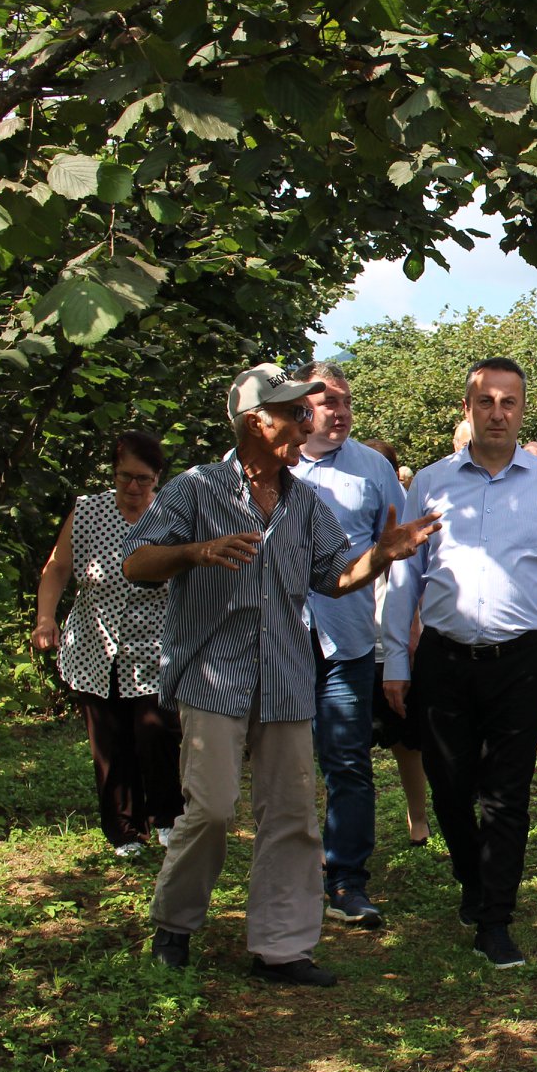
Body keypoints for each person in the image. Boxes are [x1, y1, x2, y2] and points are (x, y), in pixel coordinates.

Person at [125, 364, 439, 987]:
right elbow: (138, 562)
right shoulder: (196, 489)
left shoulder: (304, 502)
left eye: (305, 411)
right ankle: (175, 925)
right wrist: (194, 552)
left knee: (292, 813)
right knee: (212, 808)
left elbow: (335, 577)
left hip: (287, 676)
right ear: (255, 422)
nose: (305, 422)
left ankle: (281, 948)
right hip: (213, 674)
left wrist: (382, 554)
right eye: (294, 412)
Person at [383, 357, 537, 971]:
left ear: (522, 410)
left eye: (508, 402)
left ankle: (496, 918)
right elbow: (404, 574)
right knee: (448, 787)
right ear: (467, 409)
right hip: (443, 660)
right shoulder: (431, 483)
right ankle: (473, 879)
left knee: (507, 794)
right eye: (486, 402)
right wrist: (395, 661)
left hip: (521, 660)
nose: (497, 413)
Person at [291, 363, 407, 929]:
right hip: (280, 644)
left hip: (349, 643)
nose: (339, 412)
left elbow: (402, 552)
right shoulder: (267, 465)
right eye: (327, 401)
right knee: (284, 767)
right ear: (300, 406)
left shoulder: (373, 468)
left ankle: (346, 881)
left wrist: (404, 634)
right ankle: (288, 875)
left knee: (348, 763)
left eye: (345, 401)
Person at [33, 430, 182, 859]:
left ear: (157, 477)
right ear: (113, 474)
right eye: (124, 477)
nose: (133, 487)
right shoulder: (88, 511)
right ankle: (124, 830)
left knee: (157, 734)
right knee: (110, 741)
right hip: (94, 647)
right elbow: (58, 568)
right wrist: (45, 618)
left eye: (143, 478)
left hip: (154, 648)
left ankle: (168, 818)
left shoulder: (172, 517)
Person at [363, 440, 430, 847]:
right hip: (351, 641)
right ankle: (350, 823)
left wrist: (411, 629)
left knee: (407, 740)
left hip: (392, 644)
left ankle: (417, 816)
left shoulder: (400, 513)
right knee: (347, 744)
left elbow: (411, 578)